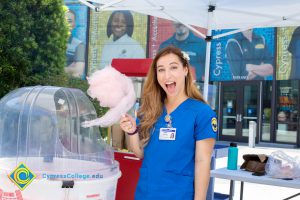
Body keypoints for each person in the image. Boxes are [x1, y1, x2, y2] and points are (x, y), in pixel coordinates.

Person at [120, 46, 217, 199]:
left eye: (173, 67)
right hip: (145, 193)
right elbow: (139, 153)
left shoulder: (202, 113)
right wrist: (132, 131)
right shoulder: (148, 110)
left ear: (185, 70)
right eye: (161, 70)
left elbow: (202, 162)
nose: (167, 75)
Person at [65, 9, 86, 78]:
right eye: (63, 20)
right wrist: (70, 69)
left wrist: (57, 70)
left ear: (74, 25)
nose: (65, 24)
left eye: (69, 21)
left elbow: (78, 72)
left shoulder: (79, 45)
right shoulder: (50, 42)